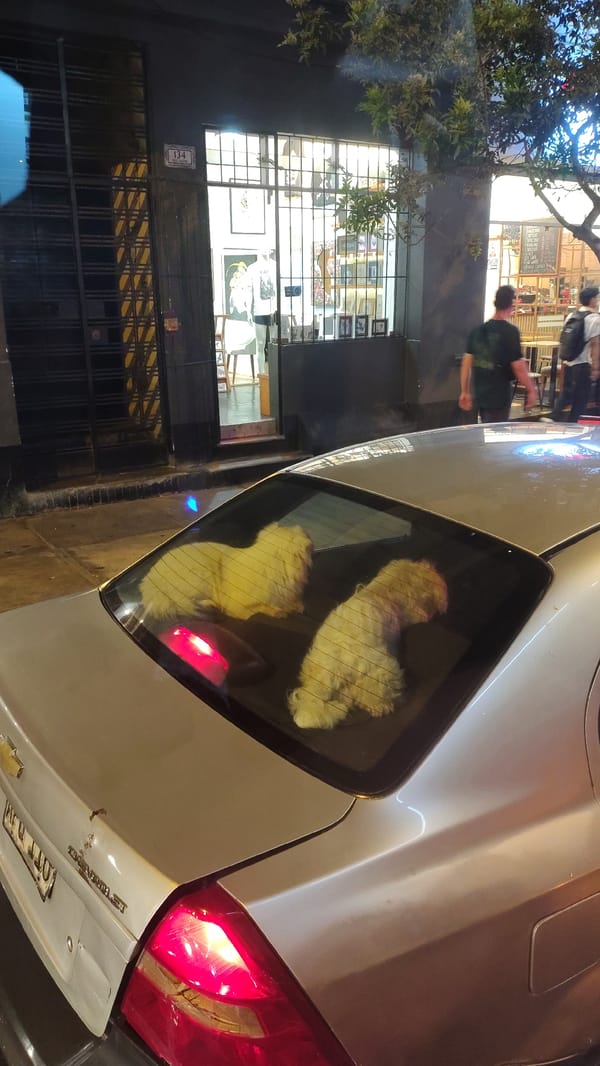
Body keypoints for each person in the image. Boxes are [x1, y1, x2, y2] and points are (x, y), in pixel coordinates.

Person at [459, 285, 538, 423]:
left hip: (480, 393)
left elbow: (466, 363)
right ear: (511, 304)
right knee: (495, 434)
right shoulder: (510, 332)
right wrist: (531, 389)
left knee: (483, 431)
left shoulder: (477, 331)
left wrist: (465, 391)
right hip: (499, 396)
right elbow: (518, 367)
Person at [548, 286, 600, 423]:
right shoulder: (594, 318)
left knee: (567, 393)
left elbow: (564, 339)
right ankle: (573, 425)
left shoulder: (572, 315)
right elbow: (595, 344)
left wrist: (563, 360)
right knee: (581, 399)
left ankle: (554, 417)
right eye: (596, 298)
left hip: (569, 362)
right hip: (583, 364)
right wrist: (595, 368)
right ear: (592, 299)